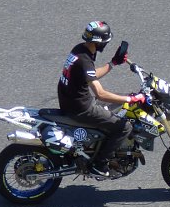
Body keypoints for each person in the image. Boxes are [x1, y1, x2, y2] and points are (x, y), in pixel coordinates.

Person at [57, 21, 146, 177]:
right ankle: (99, 163)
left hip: (72, 100)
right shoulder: (84, 60)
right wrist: (130, 99)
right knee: (124, 127)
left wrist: (113, 63)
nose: (106, 44)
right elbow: (100, 94)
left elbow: (91, 74)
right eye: (106, 41)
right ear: (99, 42)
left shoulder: (80, 50)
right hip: (81, 108)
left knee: (117, 108)